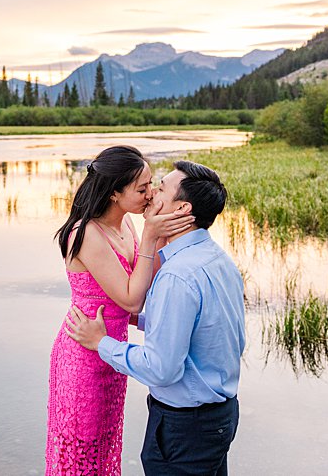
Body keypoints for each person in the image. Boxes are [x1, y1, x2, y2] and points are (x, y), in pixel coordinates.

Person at [66, 161, 244, 476]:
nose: (151, 196)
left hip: (187, 426)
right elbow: (210, 328)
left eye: (161, 188)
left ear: (182, 208)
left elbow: (162, 369)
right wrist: (143, 321)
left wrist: (101, 343)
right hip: (220, 416)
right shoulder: (217, 260)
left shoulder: (178, 275)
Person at [47, 145, 192, 475]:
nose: (150, 193)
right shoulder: (84, 234)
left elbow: (146, 282)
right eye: (142, 189)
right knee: (81, 448)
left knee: (105, 440)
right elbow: (131, 300)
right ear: (114, 192)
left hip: (111, 350)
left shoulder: (125, 224)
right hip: (83, 354)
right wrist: (152, 236)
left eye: (151, 184)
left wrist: (164, 234)